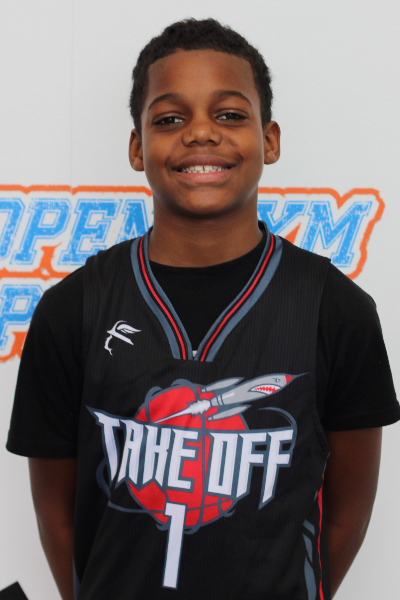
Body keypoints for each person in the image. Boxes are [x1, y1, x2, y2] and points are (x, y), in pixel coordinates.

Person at [6, 18, 399, 600]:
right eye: (170, 119)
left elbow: (347, 517)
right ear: (138, 148)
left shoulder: (336, 310)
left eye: (230, 114)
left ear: (270, 139)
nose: (200, 133)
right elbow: (59, 518)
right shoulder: (72, 310)